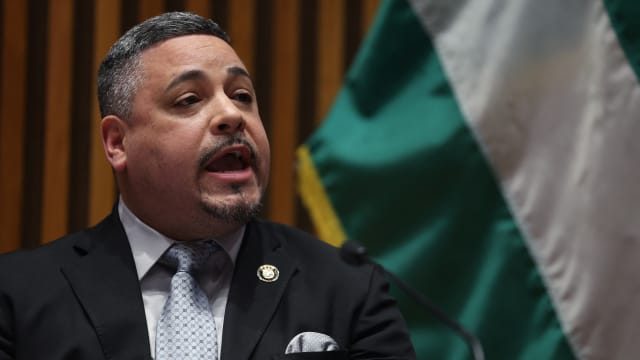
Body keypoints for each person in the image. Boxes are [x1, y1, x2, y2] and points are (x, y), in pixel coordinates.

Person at [0, 11, 415, 360]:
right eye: (189, 100)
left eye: (242, 95)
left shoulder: (348, 288)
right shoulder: (17, 296)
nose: (231, 115)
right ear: (118, 143)